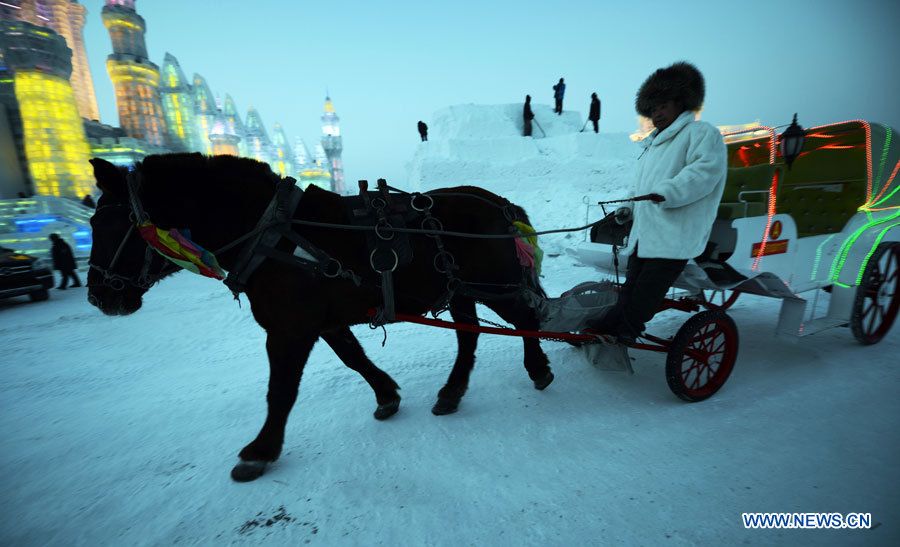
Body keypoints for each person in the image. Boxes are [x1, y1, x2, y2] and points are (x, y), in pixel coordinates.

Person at [589, 61, 727, 343]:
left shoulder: (702, 134)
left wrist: (668, 192)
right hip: (646, 233)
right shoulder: (653, 145)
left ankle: (624, 332)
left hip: (675, 234)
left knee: (646, 292)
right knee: (631, 288)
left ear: (682, 103)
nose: (657, 114)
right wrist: (627, 207)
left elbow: (704, 172)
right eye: (652, 109)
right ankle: (612, 324)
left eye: (663, 106)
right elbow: (638, 186)